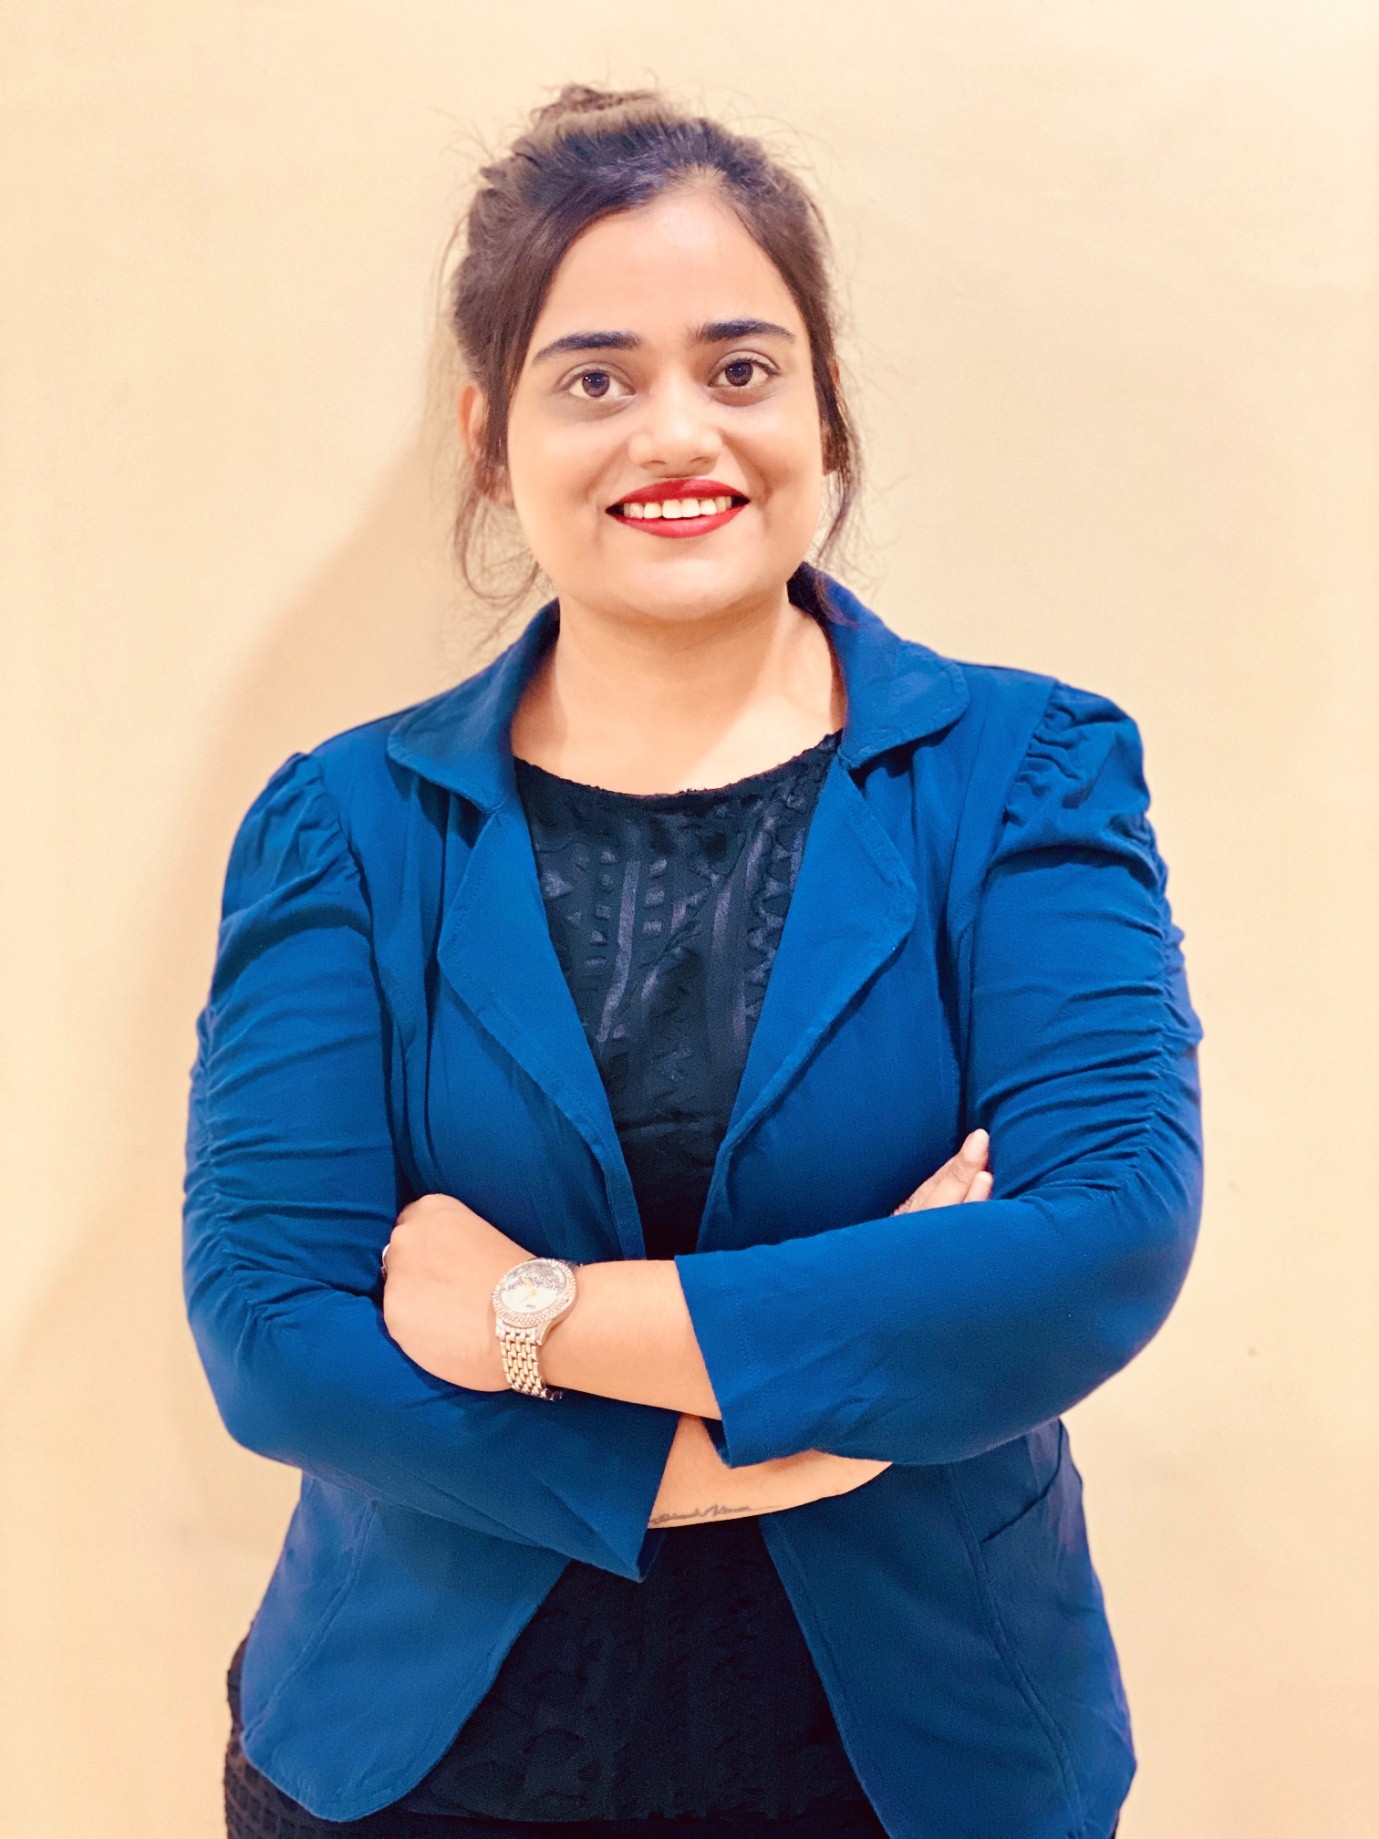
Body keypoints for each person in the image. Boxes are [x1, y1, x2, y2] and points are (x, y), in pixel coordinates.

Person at [183, 82, 1198, 1839]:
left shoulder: (1028, 770)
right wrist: (749, 1457)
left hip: (920, 1763)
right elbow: (275, 1331)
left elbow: (1097, 1239)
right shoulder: (341, 822)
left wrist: (531, 1320)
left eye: (740, 369)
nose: (677, 433)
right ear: (490, 435)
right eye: (596, 379)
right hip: (415, 1770)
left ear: (822, 409)